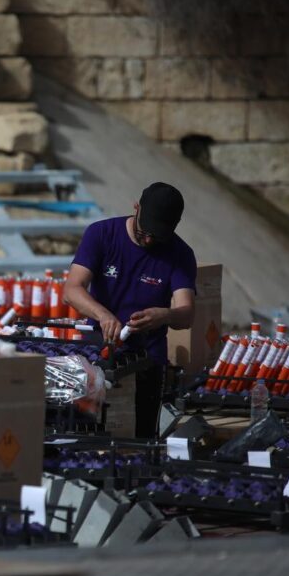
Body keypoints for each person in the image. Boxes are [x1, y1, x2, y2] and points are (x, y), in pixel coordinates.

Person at [63, 182, 196, 437]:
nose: (148, 240)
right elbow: (72, 290)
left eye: (156, 237)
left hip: (147, 361)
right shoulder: (101, 234)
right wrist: (103, 315)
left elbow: (186, 314)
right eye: (144, 231)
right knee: (87, 438)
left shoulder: (180, 254)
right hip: (96, 355)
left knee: (141, 438)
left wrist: (164, 315)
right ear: (136, 208)